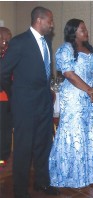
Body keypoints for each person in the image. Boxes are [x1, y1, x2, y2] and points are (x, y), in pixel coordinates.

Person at [0, 6, 60, 198]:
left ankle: (42, 183)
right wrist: (15, 95)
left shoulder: (46, 42)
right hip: (24, 106)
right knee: (23, 148)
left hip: (44, 103)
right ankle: (20, 190)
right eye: (50, 21)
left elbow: (44, 73)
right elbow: (3, 72)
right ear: (39, 20)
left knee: (43, 145)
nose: (52, 25)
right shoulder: (19, 42)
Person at [49, 18, 93, 188]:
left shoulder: (89, 50)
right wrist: (89, 90)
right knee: (73, 132)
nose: (86, 31)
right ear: (73, 32)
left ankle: (89, 173)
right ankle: (71, 174)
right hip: (74, 97)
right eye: (82, 29)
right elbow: (68, 74)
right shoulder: (65, 49)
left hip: (88, 97)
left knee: (88, 131)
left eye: (86, 28)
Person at [0, 27, 13, 169]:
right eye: (5, 40)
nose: (6, 43)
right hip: (3, 97)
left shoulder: (8, 55)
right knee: (3, 130)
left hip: (7, 98)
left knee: (5, 129)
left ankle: (3, 156)